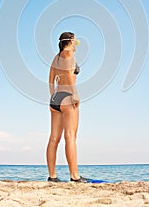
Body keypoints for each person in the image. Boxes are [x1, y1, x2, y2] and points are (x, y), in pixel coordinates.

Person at [46, 32, 88, 183]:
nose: (77, 42)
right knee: (70, 137)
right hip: (68, 96)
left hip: (56, 98)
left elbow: (51, 80)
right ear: (70, 40)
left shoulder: (56, 57)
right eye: (75, 39)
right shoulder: (69, 53)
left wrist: (53, 97)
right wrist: (74, 94)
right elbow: (70, 75)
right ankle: (75, 176)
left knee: (53, 139)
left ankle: (52, 176)